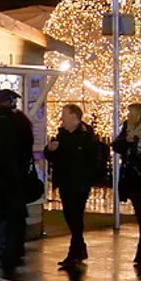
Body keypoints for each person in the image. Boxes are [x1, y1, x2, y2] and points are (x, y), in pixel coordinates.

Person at [0, 89, 35, 281]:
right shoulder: (18, 124)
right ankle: (10, 258)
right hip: (12, 179)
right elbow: (25, 152)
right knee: (15, 221)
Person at [44, 104, 100, 269]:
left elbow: (94, 159)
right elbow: (50, 155)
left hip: (79, 182)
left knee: (75, 215)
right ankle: (79, 247)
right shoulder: (62, 135)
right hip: (65, 181)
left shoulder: (86, 136)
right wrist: (50, 150)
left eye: (64, 115)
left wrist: (87, 176)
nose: (62, 118)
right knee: (70, 215)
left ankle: (75, 250)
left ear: (74, 117)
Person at [113, 103, 141, 268]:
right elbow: (116, 145)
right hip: (132, 177)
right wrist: (127, 141)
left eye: (131, 113)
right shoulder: (127, 128)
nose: (128, 115)